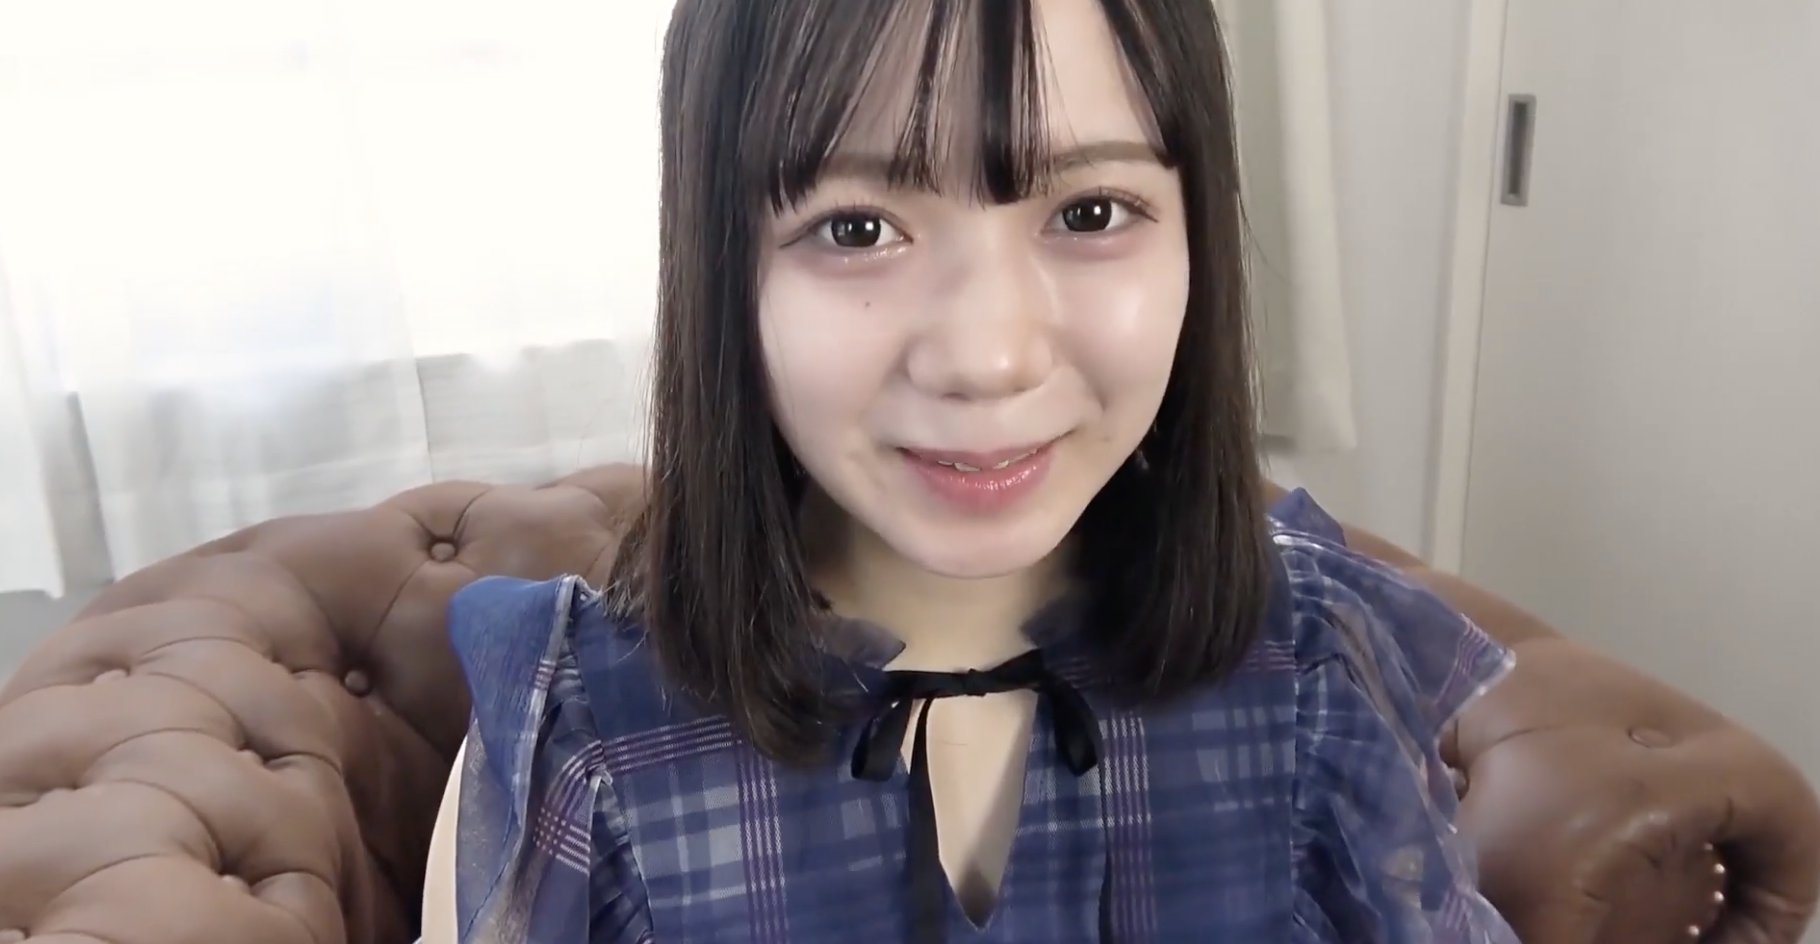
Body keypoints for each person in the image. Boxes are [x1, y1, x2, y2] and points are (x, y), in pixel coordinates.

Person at [422, 0, 1521, 940]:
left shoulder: (1317, 673)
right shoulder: (575, 748)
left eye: (1090, 212)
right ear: (723, 268)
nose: (988, 358)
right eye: (856, 228)